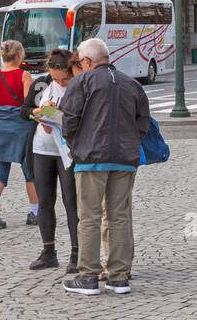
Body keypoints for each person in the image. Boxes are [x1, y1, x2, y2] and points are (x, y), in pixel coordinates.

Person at [59, 37, 150, 296]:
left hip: (91, 159)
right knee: (119, 216)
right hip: (124, 158)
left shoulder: (81, 82)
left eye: (80, 61)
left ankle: (88, 276)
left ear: (87, 61)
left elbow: (69, 121)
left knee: (89, 217)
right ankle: (118, 277)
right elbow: (143, 122)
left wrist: (76, 146)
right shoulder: (131, 84)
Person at [22, 48, 79, 272]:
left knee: (71, 201)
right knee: (45, 200)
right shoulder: (43, 83)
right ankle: (48, 251)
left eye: (65, 78)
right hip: (41, 148)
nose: (61, 83)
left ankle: (76, 253)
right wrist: (37, 113)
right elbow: (24, 109)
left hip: (66, 151)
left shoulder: (78, 84)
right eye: (57, 79)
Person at [0, 39, 39, 230]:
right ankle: (35, 213)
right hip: (22, 127)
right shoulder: (24, 75)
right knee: (30, 170)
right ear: (19, 55)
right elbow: (30, 104)